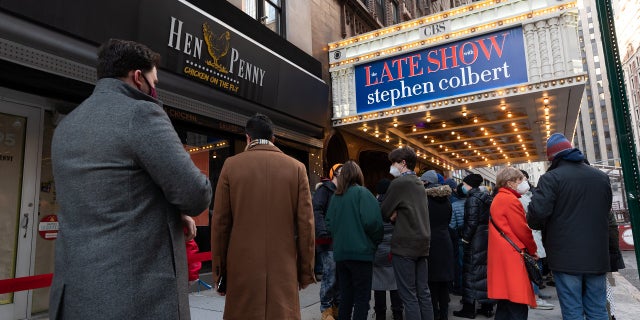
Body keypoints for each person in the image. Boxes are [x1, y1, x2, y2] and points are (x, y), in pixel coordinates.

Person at [49, 39, 212, 319]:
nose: (155, 88)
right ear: (138, 78)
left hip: (74, 296)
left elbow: (112, 198)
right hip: (134, 299)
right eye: (154, 80)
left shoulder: (66, 125)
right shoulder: (141, 112)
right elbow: (195, 194)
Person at [211, 113, 316, 319]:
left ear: (247, 138)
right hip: (283, 270)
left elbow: (221, 225)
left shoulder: (231, 166)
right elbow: (306, 226)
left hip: (242, 270)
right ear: (273, 139)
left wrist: (219, 272)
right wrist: (305, 272)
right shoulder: (297, 168)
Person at [528, 133, 612, 320]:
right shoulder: (600, 177)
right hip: (597, 254)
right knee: (598, 308)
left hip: (565, 255)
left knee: (572, 309)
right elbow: (606, 211)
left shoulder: (550, 178)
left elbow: (536, 216)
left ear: (553, 157)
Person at [325, 160, 384, 320]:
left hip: (341, 255)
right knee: (362, 299)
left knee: (346, 296)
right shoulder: (363, 194)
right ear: (358, 174)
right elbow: (373, 223)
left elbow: (329, 224)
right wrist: (374, 243)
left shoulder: (336, 197)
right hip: (361, 254)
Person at [381, 146, 434, 320]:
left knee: (409, 296)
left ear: (403, 163)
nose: (392, 167)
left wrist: (393, 215)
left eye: (393, 163)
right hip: (422, 243)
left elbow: (384, 211)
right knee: (423, 292)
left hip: (404, 245)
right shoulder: (419, 182)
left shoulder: (399, 183)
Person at [487, 167, 538, 320]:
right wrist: (533, 249)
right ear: (510, 183)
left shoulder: (500, 198)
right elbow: (522, 230)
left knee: (506, 303)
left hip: (503, 254)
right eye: (520, 179)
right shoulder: (510, 200)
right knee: (517, 304)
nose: (524, 182)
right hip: (512, 256)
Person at [453, 174, 494, 319]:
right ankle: (487, 307)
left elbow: (471, 222)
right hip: (485, 237)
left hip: (475, 240)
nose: (462, 186)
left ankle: (469, 308)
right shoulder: (485, 198)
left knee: (470, 272)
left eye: (464, 183)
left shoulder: (472, 199)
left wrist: (465, 239)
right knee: (484, 273)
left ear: (469, 184)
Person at [518, 170, 554, 310]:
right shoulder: (520, 198)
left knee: (536, 266)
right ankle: (535, 297)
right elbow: (534, 212)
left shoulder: (528, 194)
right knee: (533, 266)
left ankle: (537, 293)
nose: (525, 181)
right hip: (531, 234)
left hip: (535, 234)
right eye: (521, 179)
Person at [422, 171, 454, 320]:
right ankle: (444, 315)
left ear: (427, 183)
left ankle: (434, 315)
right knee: (443, 282)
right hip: (445, 241)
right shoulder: (447, 200)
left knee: (432, 283)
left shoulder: (424, 201)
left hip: (430, 243)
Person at [313, 163, 343, 320]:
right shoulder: (323, 190)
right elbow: (317, 211)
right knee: (330, 275)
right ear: (334, 174)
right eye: (341, 172)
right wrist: (322, 231)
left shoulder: (343, 192)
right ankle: (326, 309)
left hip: (341, 241)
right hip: (327, 240)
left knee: (339, 275)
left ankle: (336, 306)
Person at [372, 178, 404, 320]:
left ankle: (380, 314)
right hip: (394, 250)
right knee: (395, 283)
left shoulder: (372, 206)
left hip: (377, 251)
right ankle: (397, 313)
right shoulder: (396, 206)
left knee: (378, 285)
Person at [447, 181, 466, 296]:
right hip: (473, 237)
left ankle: (460, 287)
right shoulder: (472, 202)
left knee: (460, 263)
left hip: (460, 238)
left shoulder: (454, 205)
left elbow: (452, 225)